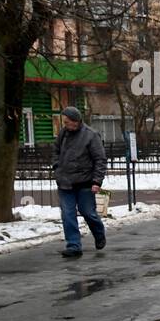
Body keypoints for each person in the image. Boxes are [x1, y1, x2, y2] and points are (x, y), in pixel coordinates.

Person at [51, 106, 107, 258]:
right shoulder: (63, 134)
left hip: (85, 183)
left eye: (68, 121)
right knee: (68, 214)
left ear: (76, 121)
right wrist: (57, 166)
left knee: (88, 212)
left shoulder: (91, 135)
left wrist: (97, 181)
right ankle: (74, 246)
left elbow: (100, 160)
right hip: (65, 183)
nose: (66, 124)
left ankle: (98, 232)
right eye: (65, 122)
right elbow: (55, 151)